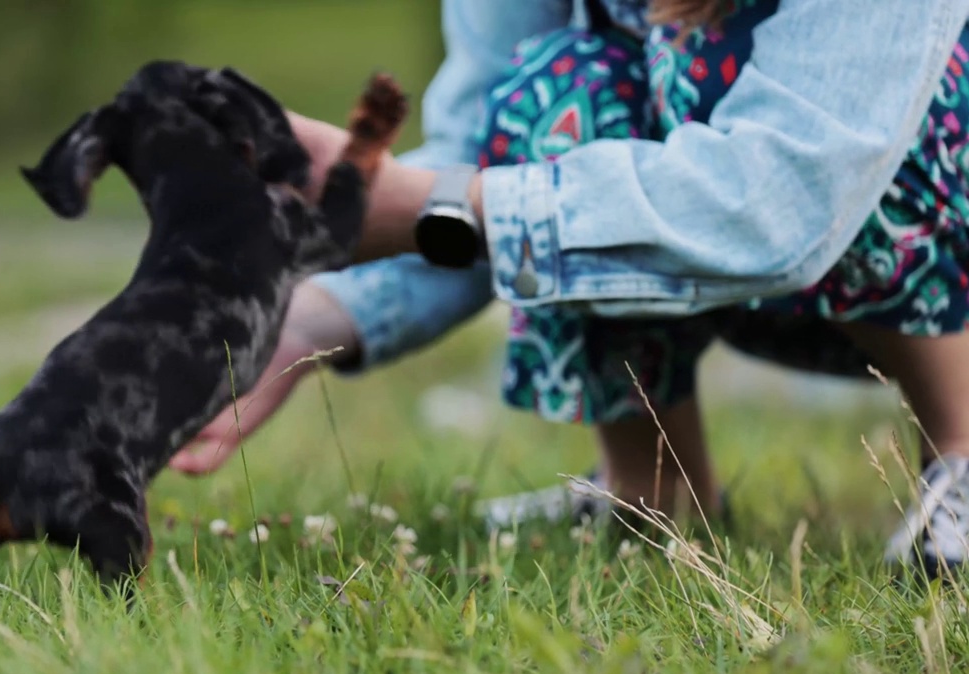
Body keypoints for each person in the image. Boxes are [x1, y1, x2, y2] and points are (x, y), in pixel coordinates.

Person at [170, 0, 969, 577]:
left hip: (891, 222)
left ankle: (960, 455)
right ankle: (654, 489)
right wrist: (303, 317)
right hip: (729, 258)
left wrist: (435, 206)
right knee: (556, 90)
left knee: (861, 100)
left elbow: (786, 192)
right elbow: (470, 164)